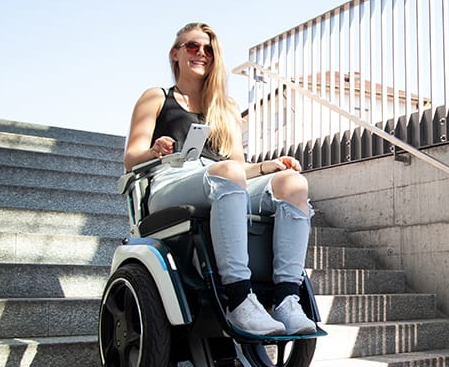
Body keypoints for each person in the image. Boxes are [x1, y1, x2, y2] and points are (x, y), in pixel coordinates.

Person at [123, 22, 316, 336]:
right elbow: (131, 158)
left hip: (220, 179)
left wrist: (270, 167)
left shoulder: (226, 108)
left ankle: (287, 300)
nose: (201, 53)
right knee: (226, 173)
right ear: (175, 53)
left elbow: (238, 168)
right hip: (169, 181)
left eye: (209, 49)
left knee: (293, 184)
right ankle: (238, 298)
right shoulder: (157, 97)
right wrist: (154, 151)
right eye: (192, 46)